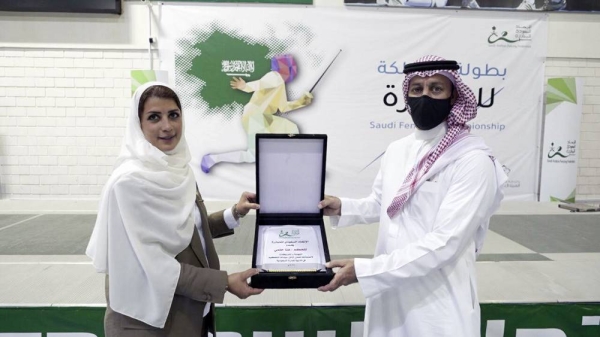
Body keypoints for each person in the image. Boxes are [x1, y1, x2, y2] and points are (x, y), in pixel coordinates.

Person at [317, 55, 507, 337]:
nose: (425, 96)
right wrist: (341, 207)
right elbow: (385, 204)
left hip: (438, 302)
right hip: (388, 295)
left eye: (436, 88)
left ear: (454, 96)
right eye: (417, 89)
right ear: (406, 95)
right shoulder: (397, 149)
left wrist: (366, 270)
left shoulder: (472, 160)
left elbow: (447, 242)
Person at [86, 82, 263, 337]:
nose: (167, 126)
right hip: (147, 324)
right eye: (154, 117)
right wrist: (224, 283)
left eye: (173, 115)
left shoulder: (178, 170)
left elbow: (184, 231)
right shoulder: (128, 184)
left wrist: (234, 213)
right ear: (138, 125)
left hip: (189, 313)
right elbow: (156, 264)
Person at [201, 54, 313, 173]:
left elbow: (283, 107)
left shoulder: (280, 84)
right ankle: (212, 159)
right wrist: (245, 86)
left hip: (264, 118)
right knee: (252, 156)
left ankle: (288, 164)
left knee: (291, 128)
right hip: (254, 117)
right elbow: (260, 84)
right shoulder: (275, 76)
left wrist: (301, 102)